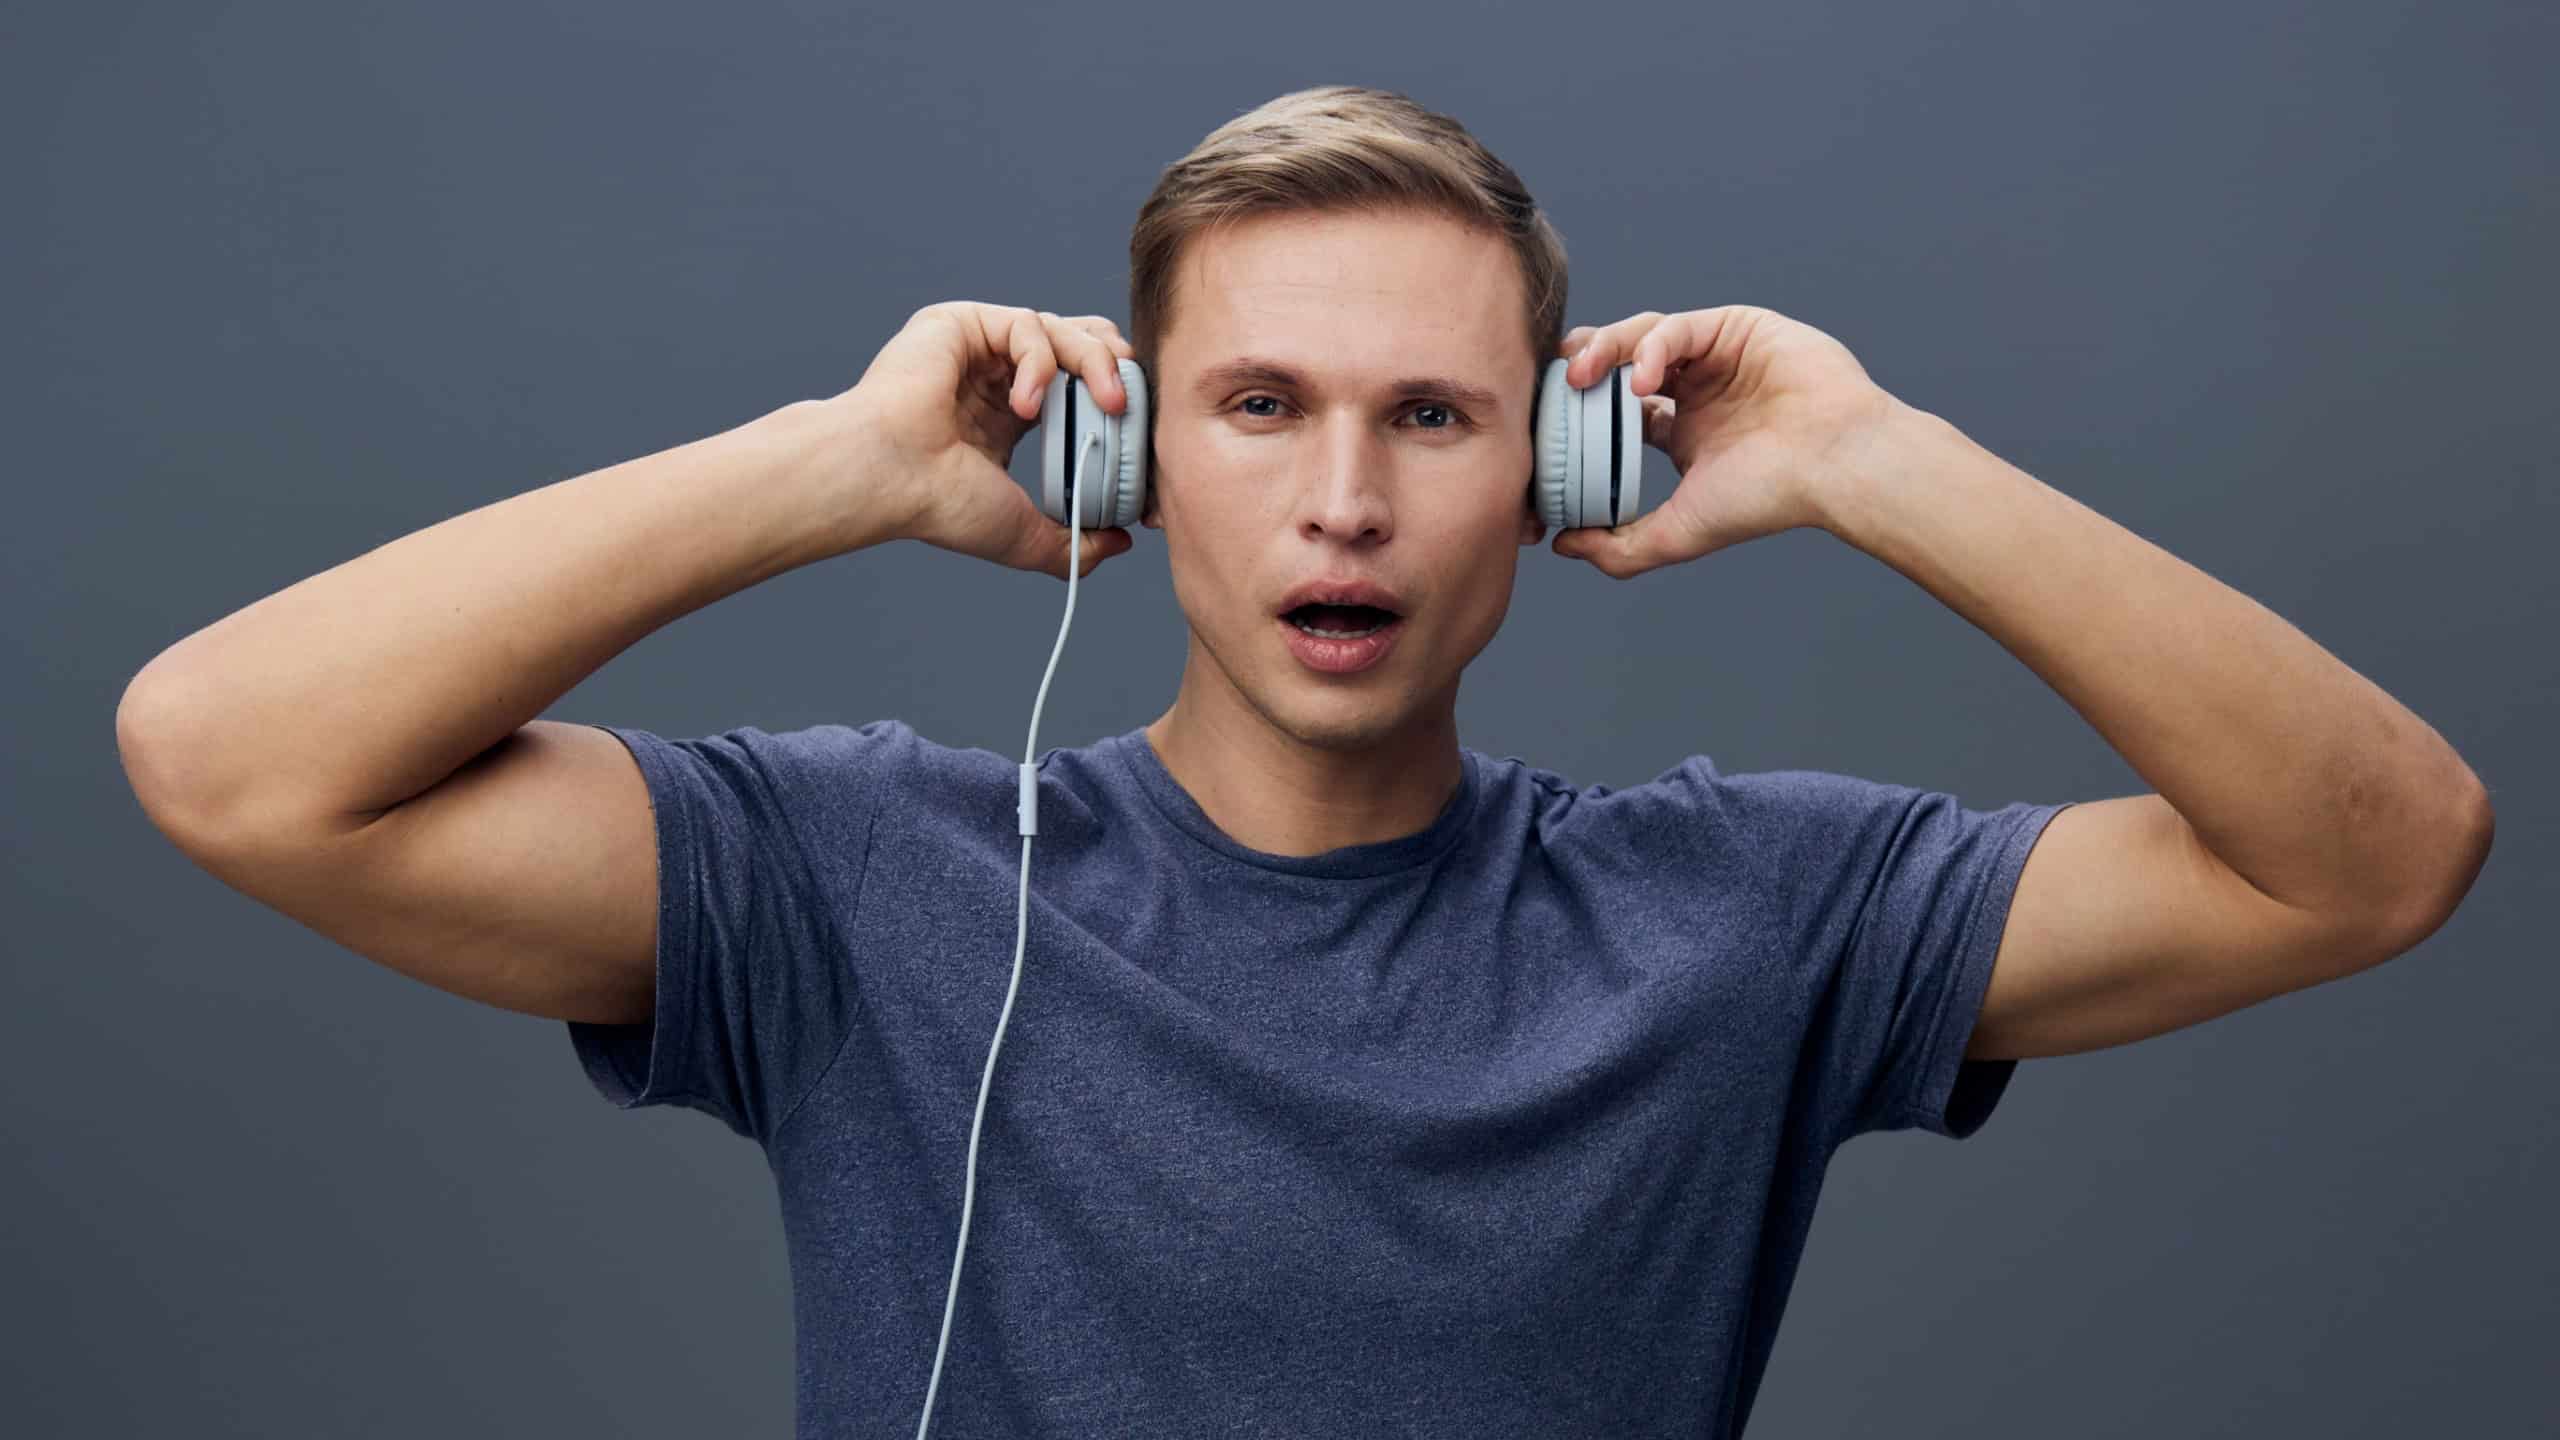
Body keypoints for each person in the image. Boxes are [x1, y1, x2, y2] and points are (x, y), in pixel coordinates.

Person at [115, 84, 2491, 1438]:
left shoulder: (1747, 920)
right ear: (1133, 453)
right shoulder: (855, 880)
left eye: (1431, 418)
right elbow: (230, 756)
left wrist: (1876, 458)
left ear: (1552, 483)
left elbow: (2371, 858)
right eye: (1259, 407)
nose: (1343, 499)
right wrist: (830, 461)